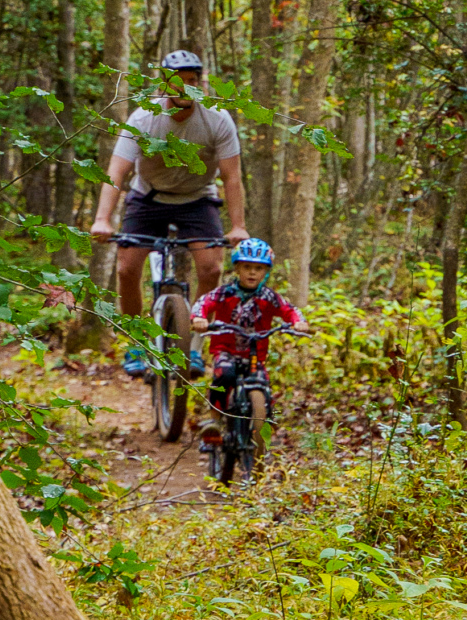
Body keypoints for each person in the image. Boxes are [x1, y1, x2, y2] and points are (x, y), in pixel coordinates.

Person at [88, 49, 250, 376]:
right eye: (179, 82)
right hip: (149, 196)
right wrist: (102, 219)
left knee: (211, 268)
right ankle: (137, 341)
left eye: (193, 81)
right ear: (164, 85)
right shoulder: (143, 118)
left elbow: (232, 177)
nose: (186, 88)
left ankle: (193, 348)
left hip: (197, 198)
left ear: (200, 84)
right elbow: (115, 174)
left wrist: (238, 226)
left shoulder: (217, 118)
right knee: (127, 268)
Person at [189, 239, 306, 456]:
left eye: (258, 268)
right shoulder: (224, 293)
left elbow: (290, 310)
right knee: (224, 374)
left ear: (266, 272)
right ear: (237, 268)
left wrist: (299, 322)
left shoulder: (269, 297)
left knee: (264, 388)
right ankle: (213, 422)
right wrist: (199, 318)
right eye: (247, 267)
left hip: (255, 354)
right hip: (225, 349)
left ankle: (263, 433)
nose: (252, 273)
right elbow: (203, 303)